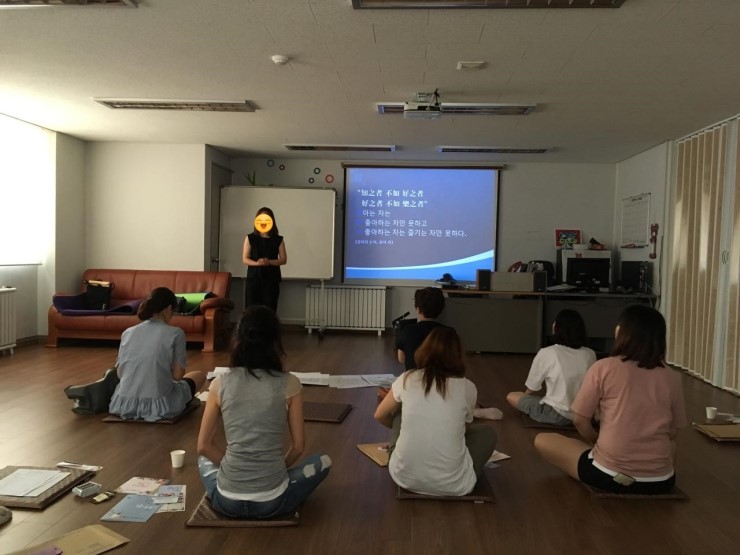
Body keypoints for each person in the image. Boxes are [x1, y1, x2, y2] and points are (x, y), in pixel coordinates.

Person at [534, 305, 687, 494]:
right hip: (661, 481)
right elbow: (673, 432)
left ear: (619, 332)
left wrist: (596, 439)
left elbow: (580, 420)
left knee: (543, 440)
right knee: (671, 446)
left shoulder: (603, 367)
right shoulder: (672, 376)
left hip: (608, 476)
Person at [197, 306, 331, 519]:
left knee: (203, 461)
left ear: (237, 340)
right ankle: (277, 483)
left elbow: (203, 446)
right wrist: (276, 470)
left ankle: (231, 482)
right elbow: (298, 447)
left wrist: (233, 471)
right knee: (323, 460)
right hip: (273, 502)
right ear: (275, 343)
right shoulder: (290, 383)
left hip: (227, 501)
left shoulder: (219, 384)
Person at [374, 326, 497, 497]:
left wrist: (403, 431)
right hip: (456, 485)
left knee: (399, 410)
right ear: (458, 355)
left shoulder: (407, 378)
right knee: (488, 433)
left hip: (403, 477)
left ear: (425, 350)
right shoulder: (468, 387)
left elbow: (379, 415)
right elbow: (463, 429)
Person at [109, 287, 206, 422]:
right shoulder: (176, 333)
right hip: (161, 407)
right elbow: (178, 376)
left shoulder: (127, 332)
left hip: (122, 405)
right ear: (168, 309)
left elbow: (120, 374)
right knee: (199, 375)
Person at [506, 309, 596, 426]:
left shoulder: (548, 352)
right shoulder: (590, 353)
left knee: (512, 396)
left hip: (557, 415)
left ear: (556, 328)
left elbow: (532, 387)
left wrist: (525, 398)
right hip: (585, 415)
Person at [242, 207, 287, 313]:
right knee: (251, 310)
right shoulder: (250, 238)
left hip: (271, 280)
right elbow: (245, 259)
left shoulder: (278, 239)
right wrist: (257, 263)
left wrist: (269, 262)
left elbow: (283, 259)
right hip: (254, 279)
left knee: (269, 310)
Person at [395, 287, 446, 371]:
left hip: (413, 377)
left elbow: (401, 359)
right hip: (440, 377)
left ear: (418, 309)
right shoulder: (449, 332)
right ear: (441, 309)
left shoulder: (407, 330)